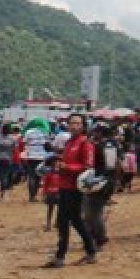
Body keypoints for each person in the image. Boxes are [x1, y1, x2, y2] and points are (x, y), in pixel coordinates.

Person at [45, 113, 98, 268]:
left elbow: (88, 167)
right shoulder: (69, 142)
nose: (74, 126)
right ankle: (90, 250)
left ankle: (61, 256)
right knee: (74, 221)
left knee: (64, 221)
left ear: (83, 126)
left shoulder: (85, 143)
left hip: (75, 188)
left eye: (77, 123)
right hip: (64, 186)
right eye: (72, 123)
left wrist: (66, 167)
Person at [86, 124, 120, 248]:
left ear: (100, 133)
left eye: (96, 132)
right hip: (109, 181)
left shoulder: (98, 146)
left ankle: (100, 237)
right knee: (97, 211)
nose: (94, 134)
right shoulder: (114, 145)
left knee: (94, 212)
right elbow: (117, 164)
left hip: (99, 181)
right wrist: (116, 182)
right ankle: (98, 236)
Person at [23, 122, 49, 201]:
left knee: (31, 175)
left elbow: (24, 142)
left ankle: (31, 196)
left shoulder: (28, 132)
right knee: (39, 175)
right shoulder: (44, 132)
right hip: (41, 156)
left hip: (30, 156)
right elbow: (46, 144)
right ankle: (34, 195)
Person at [0, 125, 16, 201]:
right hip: (7, 159)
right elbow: (14, 149)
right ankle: (2, 196)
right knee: (4, 177)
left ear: (2, 130)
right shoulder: (12, 139)